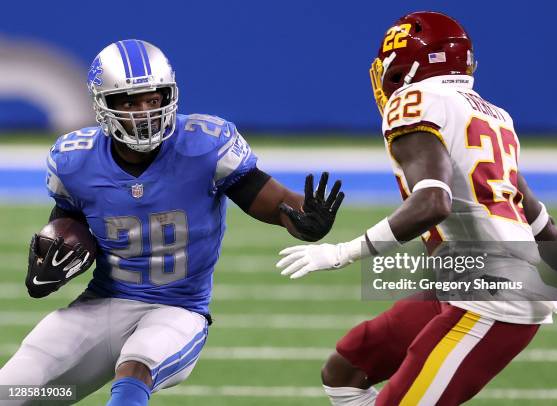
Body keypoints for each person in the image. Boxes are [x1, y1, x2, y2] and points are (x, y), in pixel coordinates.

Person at [276, 11, 557, 405]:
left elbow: (433, 201)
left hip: (492, 298)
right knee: (347, 370)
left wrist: (342, 253)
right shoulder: (493, 116)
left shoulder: (414, 103)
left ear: (408, 65)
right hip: (467, 279)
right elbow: (538, 220)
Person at [0, 39, 344, 405]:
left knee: (136, 369)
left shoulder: (205, 146)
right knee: (14, 389)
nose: (145, 111)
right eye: (130, 101)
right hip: (100, 305)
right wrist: (44, 270)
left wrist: (304, 220)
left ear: (170, 96)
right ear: (104, 104)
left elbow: (275, 203)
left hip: (177, 311)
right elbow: (66, 227)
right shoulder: (74, 161)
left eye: (153, 98)